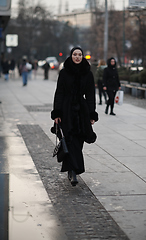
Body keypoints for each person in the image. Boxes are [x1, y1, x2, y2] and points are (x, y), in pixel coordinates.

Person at [51, 47, 98, 186]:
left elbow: (90, 95)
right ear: (71, 56)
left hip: (81, 111)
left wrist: (91, 114)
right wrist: (57, 113)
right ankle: (73, 171)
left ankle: (72, 168)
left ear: (83, 57)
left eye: (80, 55)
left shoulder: (88, 74)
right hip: (66, 110)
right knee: (69, 140)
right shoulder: (64, 73)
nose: (77, 57)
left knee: (79, 141)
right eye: (75, 54)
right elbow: (59, 93)